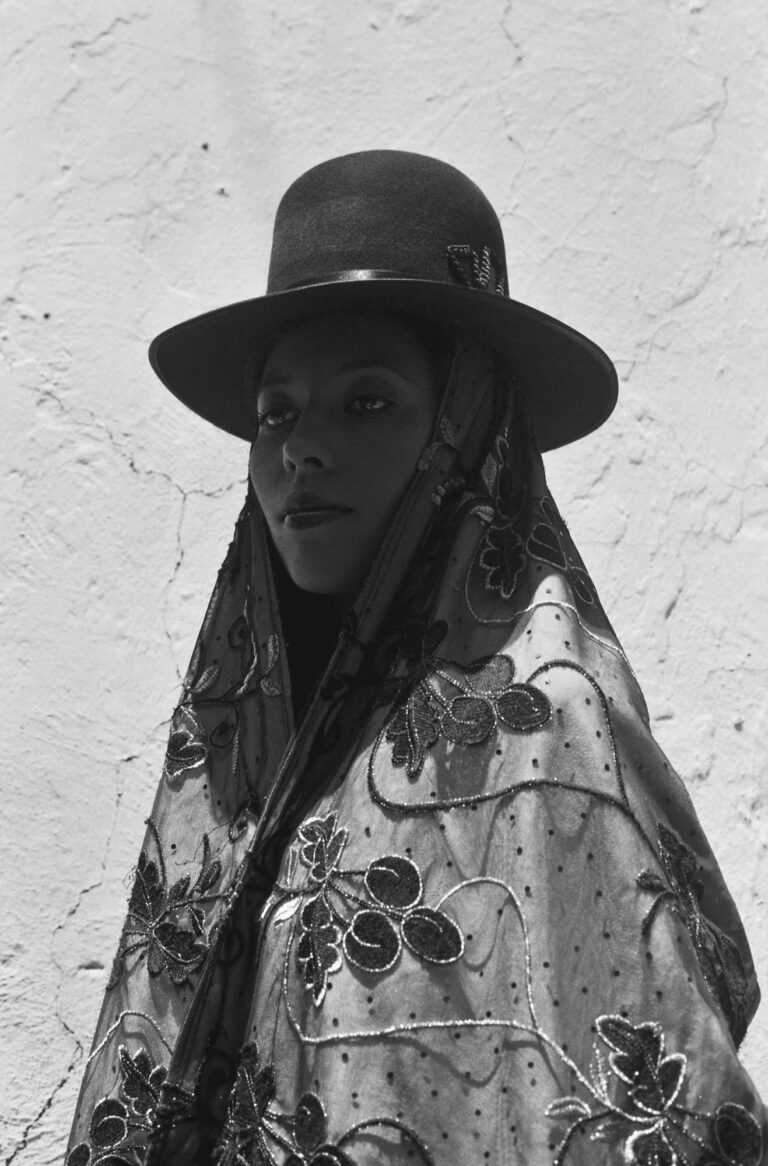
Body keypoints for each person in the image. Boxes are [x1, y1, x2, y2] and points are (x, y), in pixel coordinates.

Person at [66, 151, 766, 1166]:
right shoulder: (233, 752)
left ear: (465, 428)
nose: (302, 447)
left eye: (367, 402)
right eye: (278, 411)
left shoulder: (544, 739)